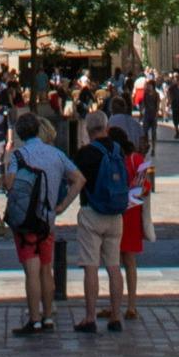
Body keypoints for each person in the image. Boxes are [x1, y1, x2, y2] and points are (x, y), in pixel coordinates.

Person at [6, 111, 76, 336]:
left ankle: (34, 319)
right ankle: (47, 317)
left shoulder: (19, 156)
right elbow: (79, 179)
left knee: (32, 271)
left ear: (19, 133)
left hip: (26, 220)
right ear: (38, 130)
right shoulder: (55, 154)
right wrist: (63, 205)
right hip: (48, 219)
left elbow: (9, 185)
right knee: (47, 269)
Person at [71, 113, 130, 333]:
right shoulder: (117, 150)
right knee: (114, 267)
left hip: (92, 212)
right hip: (115, 214)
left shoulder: (85, 154)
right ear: (106, 127)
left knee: (91, 268)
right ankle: (116, 316)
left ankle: (90, 317)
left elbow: (75, 180)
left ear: (87, 129)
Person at [114, 116, 152, 326]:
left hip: (117, 212)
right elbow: (145, 186)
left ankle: (118, 305)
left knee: (115, 262)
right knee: (129, 262)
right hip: (131, 212)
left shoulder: (119, 159)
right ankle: (130, 305)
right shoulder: (136, 159)